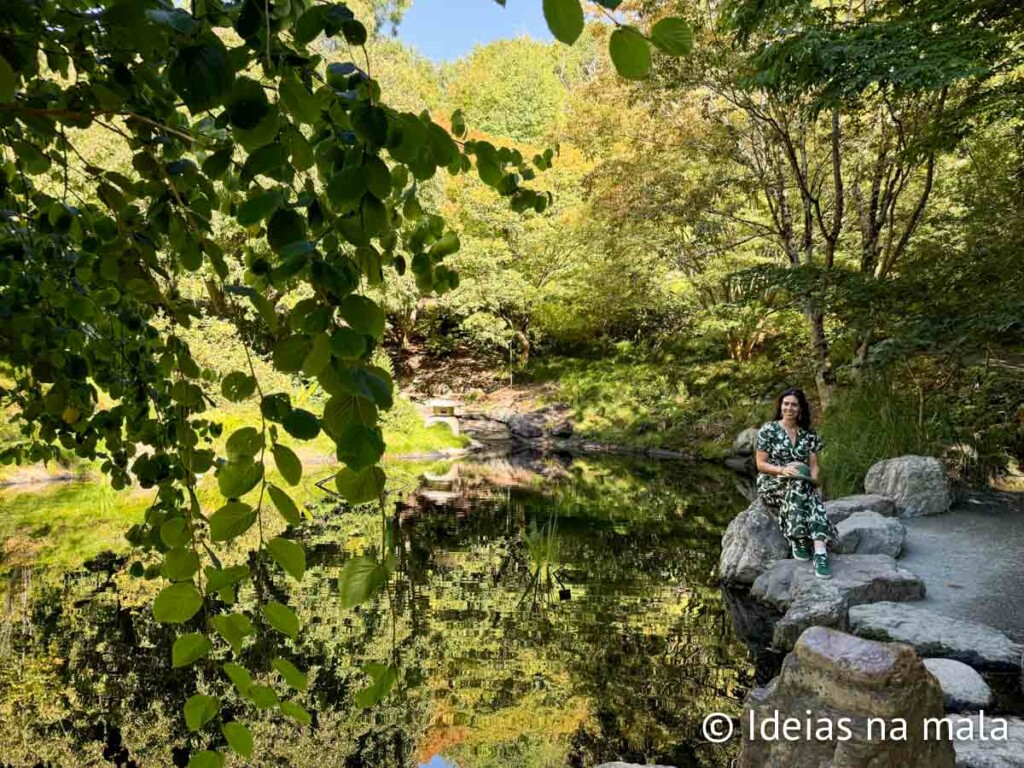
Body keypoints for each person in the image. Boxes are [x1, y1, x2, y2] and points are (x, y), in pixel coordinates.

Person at [754, 388, 837, 579]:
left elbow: (814, 466)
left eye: (794, 404)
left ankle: (818, 551)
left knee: (803, 486)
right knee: (801, 486)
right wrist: (782, 470)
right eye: (786, 404)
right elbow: (761, 464)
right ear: (781, 406)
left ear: (800, 409)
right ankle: (802, 539)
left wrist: (815, 483)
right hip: (773, 481)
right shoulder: (769, 430)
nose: (789, 408)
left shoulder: (809, 434)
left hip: (801, 482)